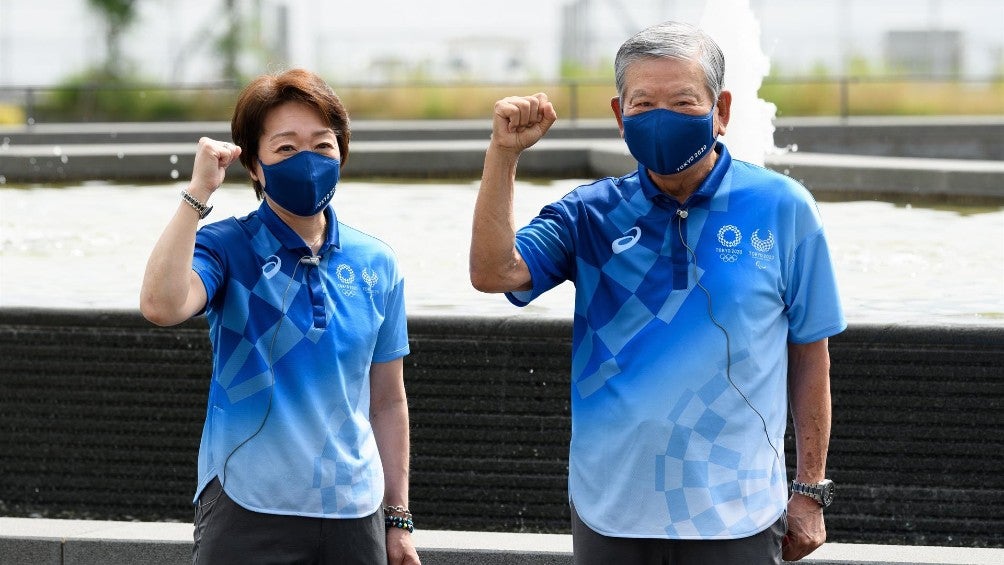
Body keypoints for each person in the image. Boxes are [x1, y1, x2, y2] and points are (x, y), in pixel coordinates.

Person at [470, 21, 844, 564]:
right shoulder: (590, 214)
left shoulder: (785, 209)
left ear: (722, 111)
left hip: (736, 513)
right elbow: (494, 272)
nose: (662, 117)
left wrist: (810, 492)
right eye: (642, 103)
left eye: (684, 100)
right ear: (621, 117)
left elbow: (811, 356)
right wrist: (504, 155)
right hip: (613, 512)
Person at [140, 68, 420, 565]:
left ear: (342, 152)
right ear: (254, 165)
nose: (307, 161)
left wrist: (397, 519)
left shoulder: (378, 261)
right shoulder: (227, 246)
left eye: (322, 145)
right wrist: (197, 195)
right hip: (247, 506)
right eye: (286, 148)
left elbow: (387, 401)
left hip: (354, 512)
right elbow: (161, 305)